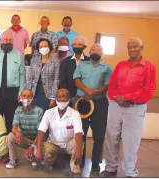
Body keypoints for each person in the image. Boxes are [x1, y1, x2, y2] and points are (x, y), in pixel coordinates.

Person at [100, 37, 157, 178]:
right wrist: (117, 98)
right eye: (129, 46)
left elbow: (148, 90)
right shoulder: (120, 65)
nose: (132, 49)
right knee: (111, 137)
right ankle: (110, 167)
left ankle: (130, 172)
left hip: (135, 108)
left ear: (141, 48)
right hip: (115, 106)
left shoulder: (149, 67)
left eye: (135, 46)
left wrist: (127, 97)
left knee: (131, 140)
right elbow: (112, 86)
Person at [73, 43, 112, 171]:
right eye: (93, 49)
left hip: (99, 102)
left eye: (98, 50)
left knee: (99, 134)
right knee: (81, 132)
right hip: (82, 102)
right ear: (89, 52)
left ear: (102, 54)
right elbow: (76, 79)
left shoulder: (107, 67)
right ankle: (80, 160)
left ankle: (96, 163)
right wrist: (86, 90)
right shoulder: (82, 65)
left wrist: (95, 92)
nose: (95, 51)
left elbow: (107, 84)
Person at [35, 88, 83, 177]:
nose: (62, 99)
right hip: (53, 144)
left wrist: (79, 151)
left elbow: (78, 133)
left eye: (64, 96)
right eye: (59, 97)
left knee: (78, 144)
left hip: (68, 144)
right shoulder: (49, 112)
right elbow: (41, 131)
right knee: (38, 150)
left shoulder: (75, 114)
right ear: (56, 99)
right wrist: (38, 151)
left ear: (69, 98)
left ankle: (75, 170)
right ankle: (51, 162)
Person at [0, 30, 26, 133]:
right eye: (6, 39)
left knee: (11, 118)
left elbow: (22, 73)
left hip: (12, 91)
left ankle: (10, 142)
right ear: (1, 40)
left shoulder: (18, 55)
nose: (8, 42)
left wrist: (21, 91)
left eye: (10, 40)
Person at [5, 89, 44, 169]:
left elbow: (41, 133)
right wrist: (17, 132)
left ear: (32, 98)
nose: (27, 98)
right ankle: (13, 160)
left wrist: (33, 146)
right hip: (24, 138)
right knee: (10, 136)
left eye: (29, 96)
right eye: (24, 96)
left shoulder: (39, 111)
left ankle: (35, 158)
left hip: (37, 140)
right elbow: (14, 128)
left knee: (38, 156)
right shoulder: (18, 110)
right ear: (20, 97)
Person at [27, 38, 59, 111]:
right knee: (35, 117)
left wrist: (53, 98)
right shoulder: (34, 60)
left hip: (47, 95)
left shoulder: (55, 61)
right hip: (34, 93)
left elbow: (56, 80)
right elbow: (30, 78)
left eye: (45, 46)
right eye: (41, 47)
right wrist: (28, 94)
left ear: (49, 47)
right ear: (38, 49)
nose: (43, 48)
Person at [59, 35, 90, 104]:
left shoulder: (89, 61)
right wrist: (66, 95)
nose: (77, 46)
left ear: (84, 47)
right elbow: (62, 80)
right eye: (75, 44)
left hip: (86, 96)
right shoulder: (65, 61)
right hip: (69, 97)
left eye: (79, 44)